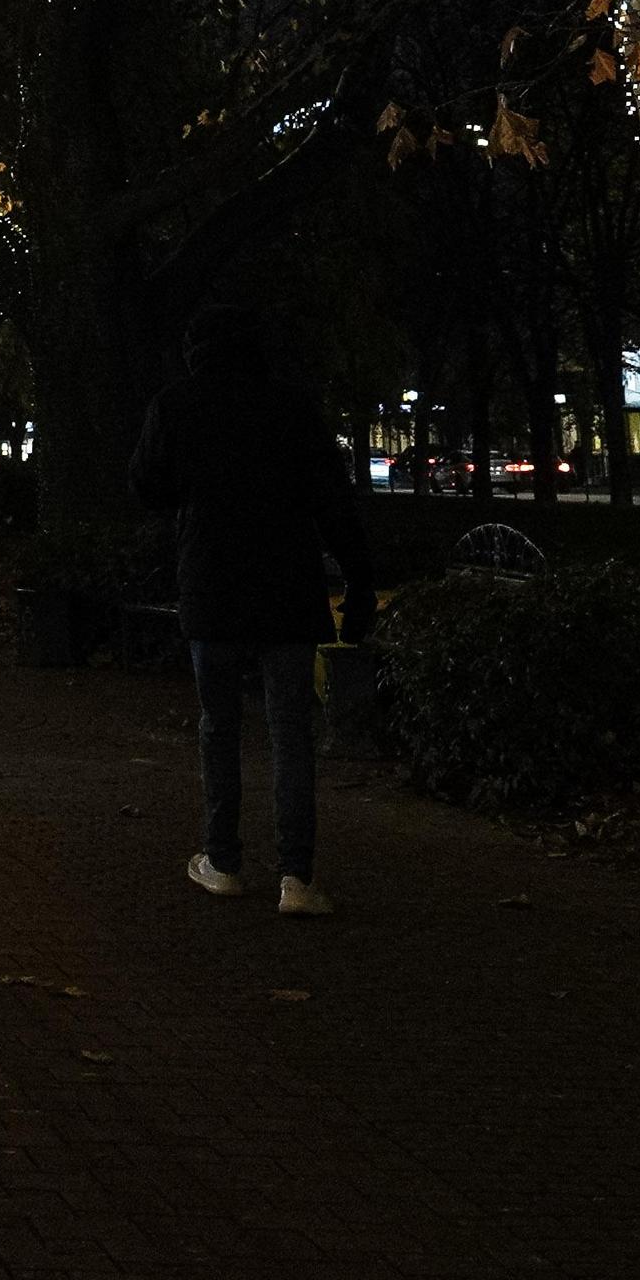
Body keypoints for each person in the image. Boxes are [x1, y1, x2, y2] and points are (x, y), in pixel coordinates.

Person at [130, 303, 381, 918]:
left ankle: (223, 859)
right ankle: (296, 875)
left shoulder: (176, 404)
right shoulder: (292, 408)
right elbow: (332, 501)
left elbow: (146, 485)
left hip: (211, 584)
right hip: (287, 588)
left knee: (218, 725)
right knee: (290, 730)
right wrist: (360, 579)